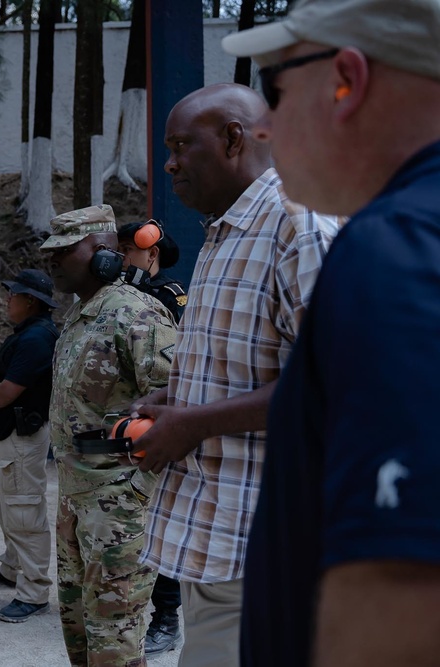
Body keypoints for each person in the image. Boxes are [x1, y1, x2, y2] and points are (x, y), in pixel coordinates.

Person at [221, 1, 440, 665]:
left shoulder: (395, 250)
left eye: (278, 91)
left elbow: (403, 594)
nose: (263, 127)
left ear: (346, 80)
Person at [129, 83, 340, 667]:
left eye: (179, 146)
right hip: (222, 541)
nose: (168, 163)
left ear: (232, 138)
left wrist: (193, 424)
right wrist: (177, 398)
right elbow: (261, 361)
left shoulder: (300, 226)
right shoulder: (226, 232)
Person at [40, 205, 177, 666]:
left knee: (114, 644)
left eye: (63, 252)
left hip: (119, 506)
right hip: (75, 499)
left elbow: (176, 407)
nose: (52, 262)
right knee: (79, 636)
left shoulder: (137, 315)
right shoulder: (80, 317)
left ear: (103, 255)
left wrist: (138, 490)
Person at [0, 268, 59, 623]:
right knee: (9, 507)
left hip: (22, 438)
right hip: (12, 436)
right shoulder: (31, 333)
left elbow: (8, 391)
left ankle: (34, 592)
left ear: (30, 301)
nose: (8, 300)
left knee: (24, 512)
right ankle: (12, 568)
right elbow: (3, 386)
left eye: (13, 294)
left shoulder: (37, 338)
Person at [116, 220, 186, 655]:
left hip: (154, 426)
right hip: (124, 425)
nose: (122, 259)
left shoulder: (166, 296)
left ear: (150, 254)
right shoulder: (127, 296)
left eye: (128, 251)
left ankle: (166, 617)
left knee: (156, 522)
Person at [117, 220, 187, 323]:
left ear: (152, 254)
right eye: (118, 250)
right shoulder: (114, 286)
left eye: (127, 249)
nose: (120, 256)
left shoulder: (169, 296)